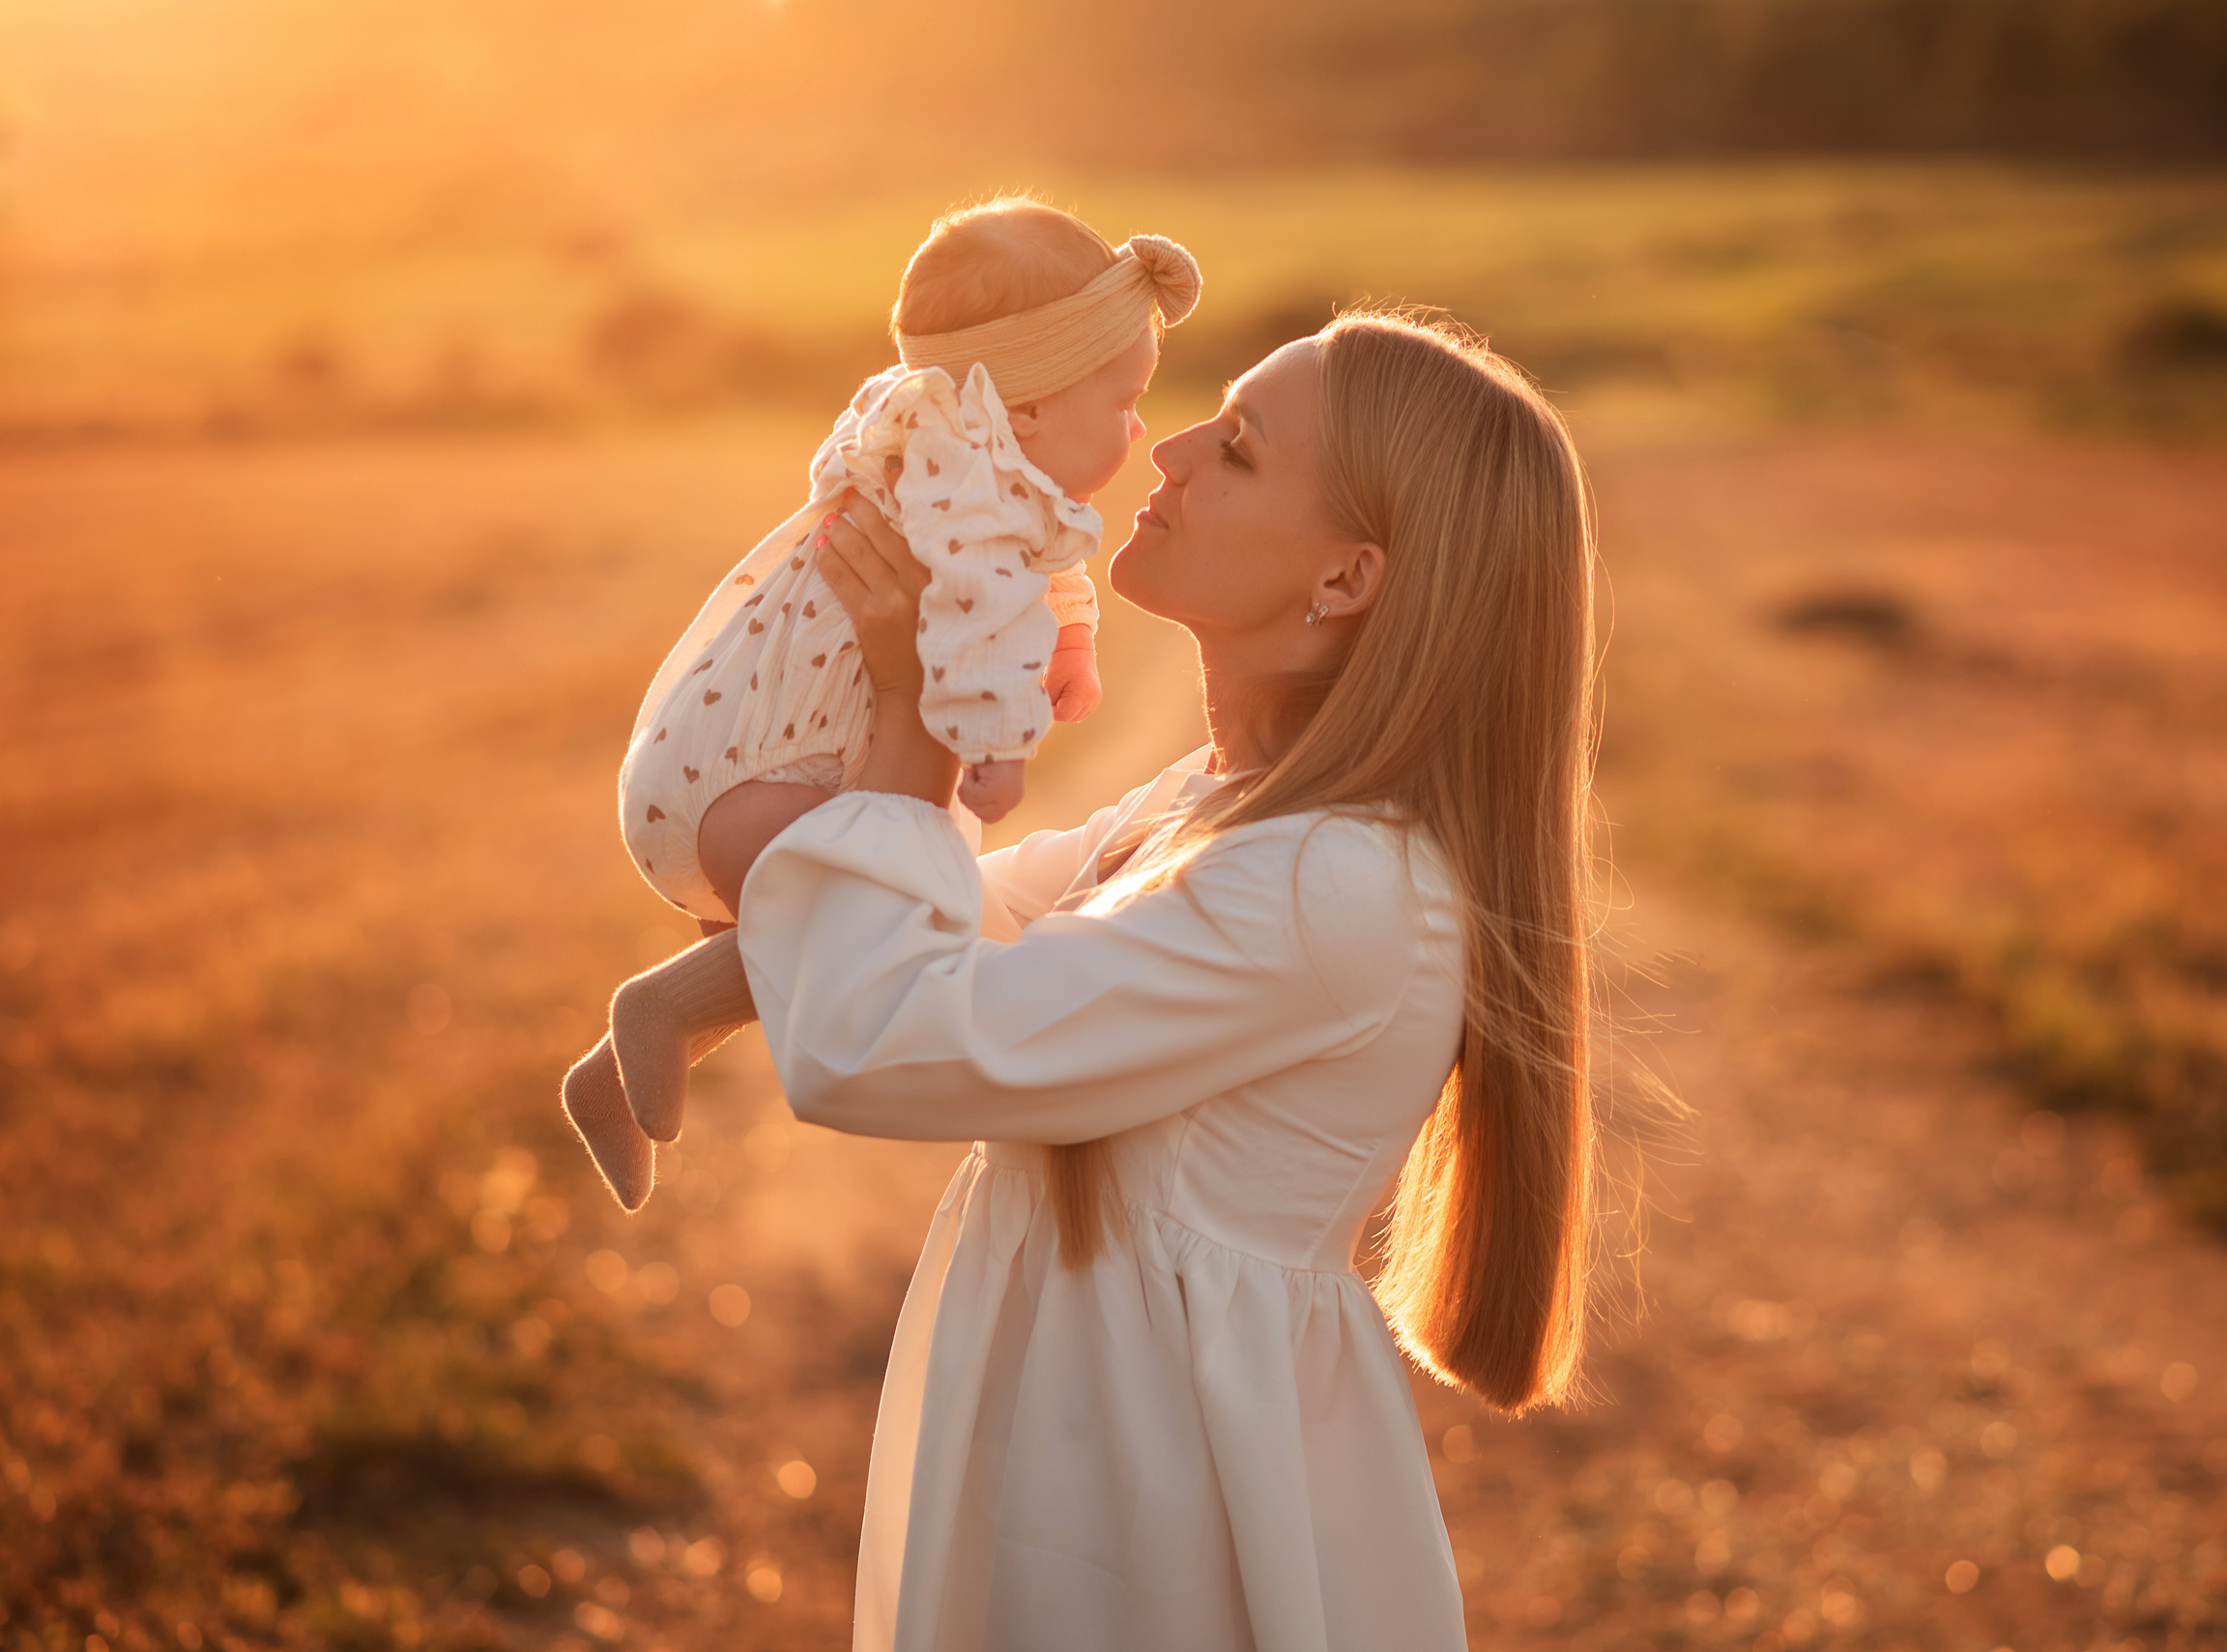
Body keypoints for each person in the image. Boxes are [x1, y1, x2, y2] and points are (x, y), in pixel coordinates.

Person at [738, 307, 1602, 1652]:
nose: (1172, 446)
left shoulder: (1329, 884)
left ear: (1345, 581)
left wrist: (920, 715)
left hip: (1154, 1514)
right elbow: (946, 915)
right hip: (1083, 1444)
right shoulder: (1210, 805)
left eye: (1240, 448)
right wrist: (685, 989)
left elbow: (875, 1037)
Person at [559, 201, 1202, 1208]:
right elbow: (978, 617)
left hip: (743, 756)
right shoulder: (968, 504)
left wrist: (1072, 638)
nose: (1140, 428)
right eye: (1124, 402)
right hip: (780, 773)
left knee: (806, 922)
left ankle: (625, 1051)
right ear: (1024, 411)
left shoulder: (942, 450)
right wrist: (993, 745)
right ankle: (660, 1012)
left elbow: (1038, 561)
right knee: (910, 907)